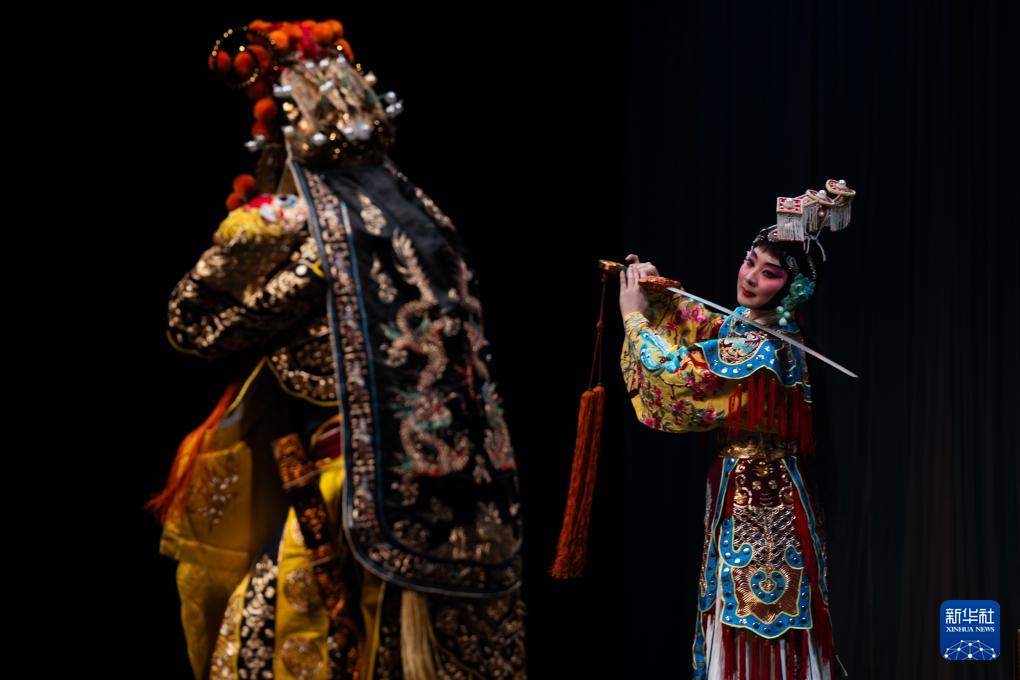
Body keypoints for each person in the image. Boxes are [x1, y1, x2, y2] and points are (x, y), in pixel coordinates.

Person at [151, 20, 525, 679]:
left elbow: (192, 325)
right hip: (461, 513)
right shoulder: (428, 219)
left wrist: (279, 258)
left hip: (346, 500)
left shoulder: (291, 224)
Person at [618, 181, 855, 679]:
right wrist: (659, 295)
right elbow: (705, 324)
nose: (750, 278)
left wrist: (636, 320)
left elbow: (682, 375)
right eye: (750, 262)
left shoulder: (763, 348)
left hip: (762, 506)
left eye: (770, 274)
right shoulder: (751, 327)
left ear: (791, 289)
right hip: (746, 492)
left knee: (756, 620)